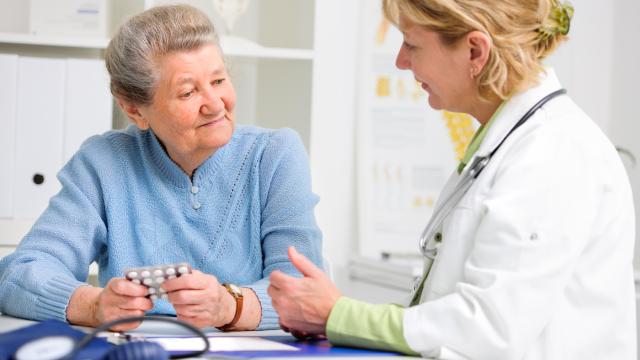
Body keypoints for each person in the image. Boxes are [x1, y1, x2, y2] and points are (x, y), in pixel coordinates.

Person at [269, 0, 636, 359]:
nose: (401, 61)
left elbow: (489, 327)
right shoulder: (509, 145)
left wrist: (338, 315)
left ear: (475, 51)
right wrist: (330, 318)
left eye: (412, 44)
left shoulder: (553, 154)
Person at [0, 4, 322, 332]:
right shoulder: (104, 163)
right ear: (134, 109)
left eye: (219, 80)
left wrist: (228, 305)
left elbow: (305, 291)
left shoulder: (274, 155)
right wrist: (96, 306)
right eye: (188, 92)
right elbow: (20, 274)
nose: (215, 104)